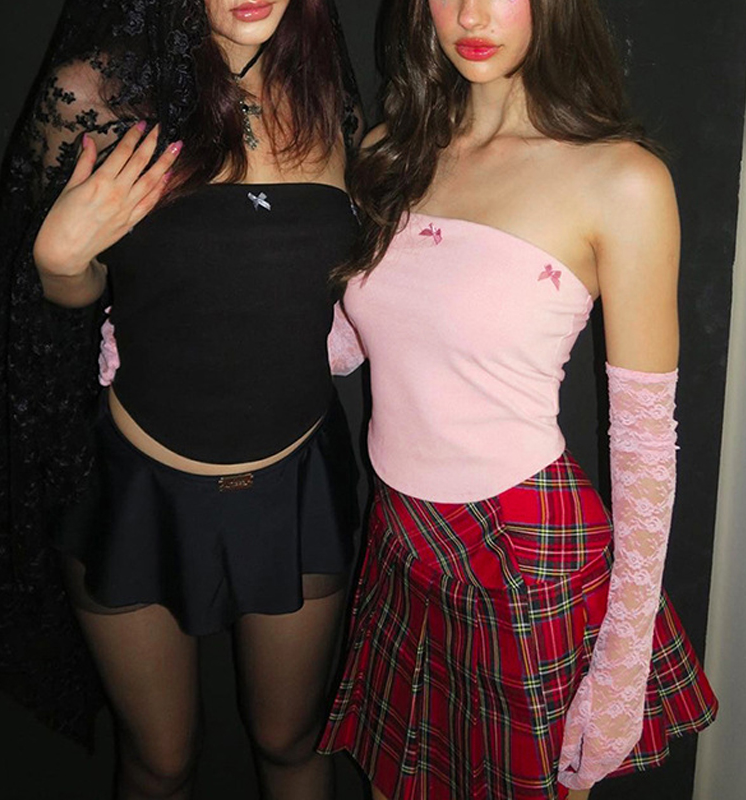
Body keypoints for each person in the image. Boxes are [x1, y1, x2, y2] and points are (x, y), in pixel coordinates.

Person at [319, 1, 717, 798]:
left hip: (524, 549)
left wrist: (621, 666)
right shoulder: (393, 150)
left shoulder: (622, 180)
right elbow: (344, 346)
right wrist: (182, 322)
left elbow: (644, 442)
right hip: (401, 538)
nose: (471, 14)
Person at [0, 1, 362, 798]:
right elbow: (55, 311)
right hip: (137, 494)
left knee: (292, 742)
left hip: (294, 489)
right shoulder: (97, 96)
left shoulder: (325, 92)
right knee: (160, 762)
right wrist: (58, 263)